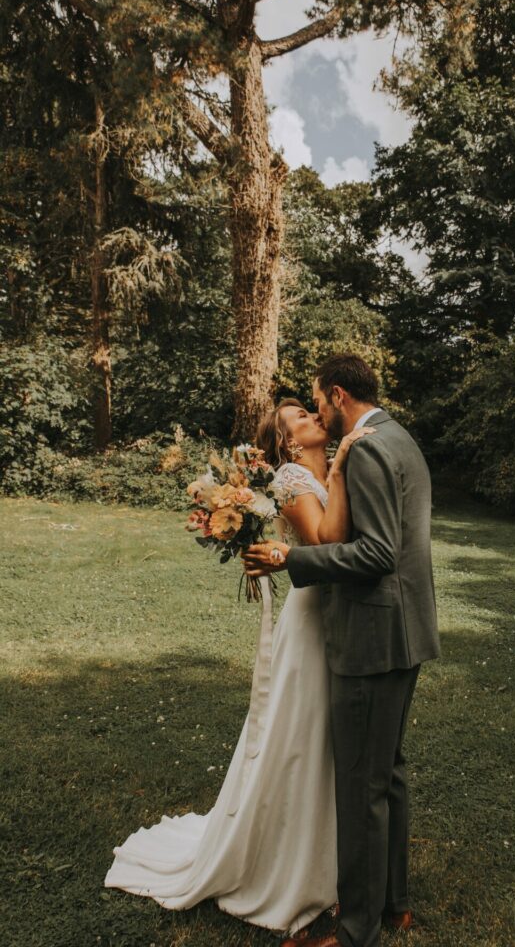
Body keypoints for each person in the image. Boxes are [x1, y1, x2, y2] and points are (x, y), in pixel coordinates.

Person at [104, 397, 374, 941]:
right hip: (313, 617)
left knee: (323, 738)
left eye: (309, 410)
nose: (313, 417)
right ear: (288, 442)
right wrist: (341, 469)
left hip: (336, 615)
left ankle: (330, 854)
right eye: (299, 418)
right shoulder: (297, 476)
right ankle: (289, 863)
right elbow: (326, 545)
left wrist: (342, 469)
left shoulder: (320, 468)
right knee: (301, 734)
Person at [244, 354, 441, 947]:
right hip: (402, 630)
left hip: (372, 636)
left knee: (362, 785)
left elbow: (376, 553)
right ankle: (394, 904)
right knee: (387, 775)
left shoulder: (370, 448)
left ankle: (357, 929)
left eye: (317, 401)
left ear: (335, 395)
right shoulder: (396, 437)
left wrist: (290, 558)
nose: (317, 412)